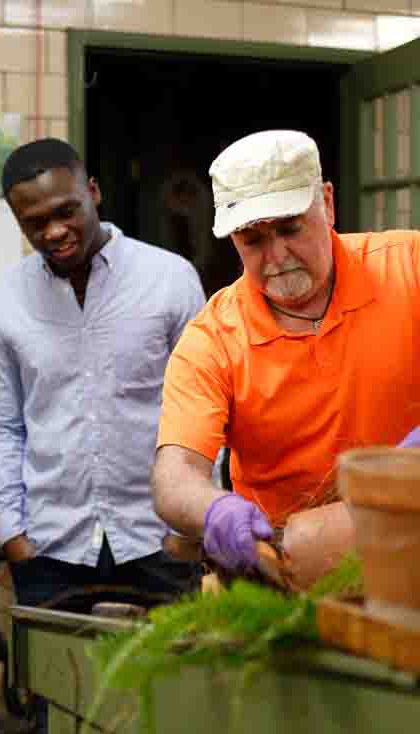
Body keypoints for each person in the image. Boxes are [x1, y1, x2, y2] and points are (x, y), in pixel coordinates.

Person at [153, 129, 420, 575]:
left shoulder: (408, 266)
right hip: (288, 566)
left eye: (290, 228)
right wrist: (215, 510)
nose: (276, 256)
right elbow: (174, 475)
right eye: (252, 240)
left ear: (328, 204)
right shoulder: (213, 339)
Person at [0, 138, 205, 613]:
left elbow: (205, 410)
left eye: (67, 210)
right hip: (49, 550)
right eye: (34, 223)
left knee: (169, 688)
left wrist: (189, 527)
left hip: (157, 543)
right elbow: (0, 424)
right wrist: (11, 533)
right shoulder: (4, 298)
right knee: (57, 687)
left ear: (94, 192)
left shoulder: (170, 279)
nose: (55, 231)